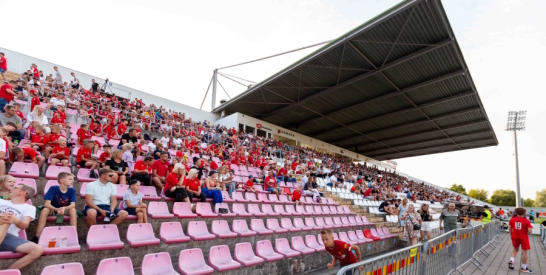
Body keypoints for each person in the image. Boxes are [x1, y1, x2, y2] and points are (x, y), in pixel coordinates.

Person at [0, 183, 43, 270]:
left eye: (15, 187)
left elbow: (24, 225)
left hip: (9, 237)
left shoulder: (29, 208)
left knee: (38, 249)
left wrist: (15, 220)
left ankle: (8, 272)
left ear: (23, 192)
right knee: (6, 220)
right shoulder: (1, 201)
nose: (12, 188)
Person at [33, 172, 77, 242]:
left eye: (72, 179)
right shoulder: (53, 188)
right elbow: (47, 204)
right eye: (70, 179)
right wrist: (57, 209)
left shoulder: (72, 190)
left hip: (65, 209)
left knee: (73, 210)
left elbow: (72, 205)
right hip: (53, 209)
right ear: (61, 180)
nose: (72, 181)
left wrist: (63, 208)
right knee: (45, 210)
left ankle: (74, 235)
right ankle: (37, 236)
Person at [508, 207, 533, 273]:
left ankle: (511, 261)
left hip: (515, 236)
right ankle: (524, 268)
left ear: (516, 212)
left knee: (515, 249)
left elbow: (510, 228)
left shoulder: (512, 219)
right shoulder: (526, 221)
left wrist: (511, 235)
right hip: (523, 237)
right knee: (525, 252)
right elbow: (530, 231)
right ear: (524, 213)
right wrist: (529, 231)